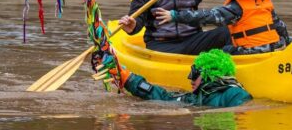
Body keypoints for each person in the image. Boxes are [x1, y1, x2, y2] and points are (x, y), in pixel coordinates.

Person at [155, 0, 290, 55]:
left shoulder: (237, 7)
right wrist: (288, 44)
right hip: (274, 47)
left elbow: (207, 17)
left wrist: (175, 15)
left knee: (220, 52)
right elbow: (280, 26)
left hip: (253, 52)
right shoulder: (263, 1)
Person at [106, 49, 252, 108]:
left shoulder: (236, 94)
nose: (191, 80)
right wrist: (130, 80)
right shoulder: (195, 97)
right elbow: (164, 97)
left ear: (209, 74)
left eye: (195, 74)